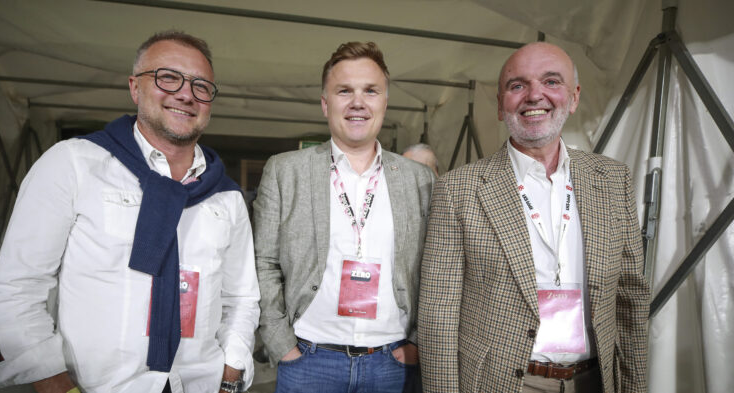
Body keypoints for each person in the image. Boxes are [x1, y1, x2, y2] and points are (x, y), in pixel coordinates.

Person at [0, 31, 260, 393]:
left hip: (198, 384)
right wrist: (56, 386)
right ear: (135, 87)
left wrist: (231, 375)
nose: (186, 94)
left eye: (201, 85)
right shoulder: (75, 164)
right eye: (168, 77)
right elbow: (19, 288)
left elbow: (239, 298)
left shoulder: (225, 196)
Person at [418, 42, 649, 393]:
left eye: (551, 82)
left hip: (594, 380)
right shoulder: (458, 190)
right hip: (503, 383)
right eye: (517, 85)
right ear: (500, 105)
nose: (534, 95)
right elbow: (439, 314)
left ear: (573, 98)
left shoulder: (613, 180)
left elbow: (631, 299)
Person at [254, 41, 434, 393]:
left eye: (370, 90)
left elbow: (435, 267)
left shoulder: (418, 179)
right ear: (325, 103)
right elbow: (264, 262)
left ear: (384, 101)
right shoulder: (285, 171)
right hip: (308, 361)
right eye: (344, 91)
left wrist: (416, 342)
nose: (357, 102)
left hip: (392, 364)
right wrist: (280, 344)